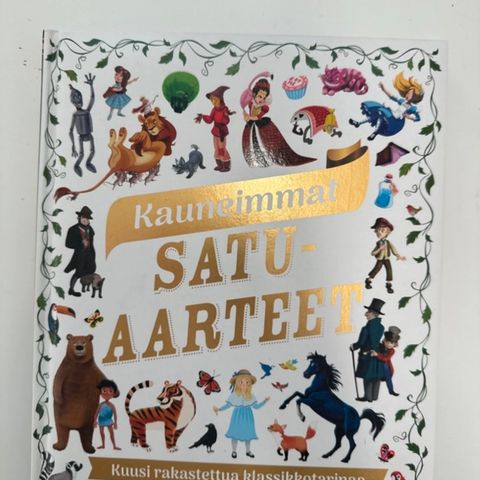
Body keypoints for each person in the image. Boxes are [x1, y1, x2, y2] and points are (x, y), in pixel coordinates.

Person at [241, 74, 316, 167]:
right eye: (260, 96)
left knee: (265, 143)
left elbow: (258, 117)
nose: (261, 99)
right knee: (252, 143)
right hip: (251, 126)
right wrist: (245, 116)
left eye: (264, 98)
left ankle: (267, 159)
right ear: (254, 94)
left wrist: (249, 117)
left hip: (261, 125)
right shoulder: (250, 103)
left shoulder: (264, 107)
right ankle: (257, 160)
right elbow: (249, 113)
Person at [349, 71, 423, 141]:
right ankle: (359, 123)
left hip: (397, 121)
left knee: (381, 115)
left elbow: (418, 119)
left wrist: (409, 117)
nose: (407, 95)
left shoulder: (412, 108)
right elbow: (392, 96)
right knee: (376, 114)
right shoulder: (402, 101)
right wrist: (383, 89)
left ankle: (375, 132)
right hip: (392, 114)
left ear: (415, 96)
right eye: (407, 93)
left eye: (409, 93)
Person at [213, 369, 270, 459]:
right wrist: (219, 409)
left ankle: (248, 451)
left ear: (249, 384)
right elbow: (228, 405)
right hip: (237, 416)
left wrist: (264, 401)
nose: (244, 384)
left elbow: (256, 407)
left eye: (247, 382)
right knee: (235, 434)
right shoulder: (234, 395)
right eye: (241, 382)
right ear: (237, 383)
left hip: (248, 416)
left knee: (248, 434)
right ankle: (234, 451)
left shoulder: (251, 396)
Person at [350, 298, 386, 402]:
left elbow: (360, 343)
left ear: (373, 313)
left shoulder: (365, 329)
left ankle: (368, 398)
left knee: (368, 377)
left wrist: (353, 346)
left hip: (366, 356)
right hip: (377, 355)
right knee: (376, 377)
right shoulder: (381, 327)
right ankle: (374, 396)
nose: (366, 314)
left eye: (368, 312)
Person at [195, 85, 235, 172]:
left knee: (222, 149)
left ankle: (226, 166)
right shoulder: (214, 109)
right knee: (216, 148)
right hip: (215, 131)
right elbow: (210, 119)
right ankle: (220, 165)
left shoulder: (224, 109)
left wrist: (226, 116)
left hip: (221, 132)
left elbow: (226, 121)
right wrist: (203, 116)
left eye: (215, 100)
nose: (213, 102)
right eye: (212, 100)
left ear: (220, 99)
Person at [365, 217, 406, 294]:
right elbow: (372, 253)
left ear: (388, 232)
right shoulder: (378, 243)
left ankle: (389, 286)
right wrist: (379, 249)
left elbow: (393, 249)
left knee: (389, 270)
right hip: (380, 259)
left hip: (386, 258)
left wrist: (398, 256)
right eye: (378, 231)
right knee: (376, 269)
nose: (380, 233)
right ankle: (368, 280)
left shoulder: (388, 242)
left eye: (382, 230)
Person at [64, 206, 96, 297]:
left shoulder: (90, 230)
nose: (85, 220)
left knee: (92, 268)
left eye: (87, 219)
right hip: (79, 254)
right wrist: (80, 243)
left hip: (89, 254)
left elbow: (92, 244)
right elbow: (68, 244)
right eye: (83, 218)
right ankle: (71, 289)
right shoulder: (73, 229)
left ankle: (84, 281)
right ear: (79, 218)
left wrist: (93, 255)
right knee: (78, 271)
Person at [370, 326, 401, 396]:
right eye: (387, 342)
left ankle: (391, 391)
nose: (389, 344)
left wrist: (377, 355)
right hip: (377, 366)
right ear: (384, 340)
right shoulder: (380, 346)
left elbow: (386, 358)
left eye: (391, 343)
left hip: (385, 368)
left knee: (387, 374)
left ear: (395, 344)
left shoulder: (392, 351)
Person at [94, 379, 121, 450]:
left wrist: (115, 423)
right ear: (100, 392)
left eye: (110, 391)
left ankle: (114, 446)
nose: (107, 393)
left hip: (109, 420)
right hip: (101, 420)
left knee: (111, 433)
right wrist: (94, 421)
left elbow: (115, 414)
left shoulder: (112, 405)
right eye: (104, 391)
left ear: (114, 393)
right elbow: (96, 413)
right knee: (101, 433)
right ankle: (103, 445)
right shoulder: (100, 404)